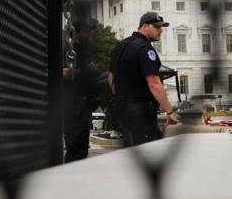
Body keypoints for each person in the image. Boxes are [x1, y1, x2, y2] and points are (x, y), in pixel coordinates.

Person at [107, 12, 180, 146]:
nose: (160, 30)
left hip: (122, 107)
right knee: (150, 147)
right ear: (145, 26)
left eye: (161, 27)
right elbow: (154, 84)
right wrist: (170, 111)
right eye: (157, 27)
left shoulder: (121, 46)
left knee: (132, 149)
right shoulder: (145, 49)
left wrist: (121, 99)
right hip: (140, 109)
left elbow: (111, 78)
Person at [63, 21, 99, 163]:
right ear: (77, 34)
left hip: (83, 107)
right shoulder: (71, 50)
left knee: (81, 151)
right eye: (86, 30)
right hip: (75, 108)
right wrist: (85, 70)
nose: (90, 33)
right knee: (76, 150)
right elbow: (64, 72)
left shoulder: (81, 51)